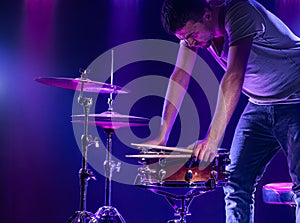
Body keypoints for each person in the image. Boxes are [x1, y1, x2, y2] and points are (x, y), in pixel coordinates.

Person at [150, 0, 300, 222]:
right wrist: (162, 136)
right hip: (260, 103)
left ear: (207, 15)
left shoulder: (240, 12)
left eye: (192, 34)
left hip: (296, 99)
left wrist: (212, 139)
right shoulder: (194, 36)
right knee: (234, 181)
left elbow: (234, 76)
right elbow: (179, 77)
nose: (190, 42)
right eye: (183, 39)